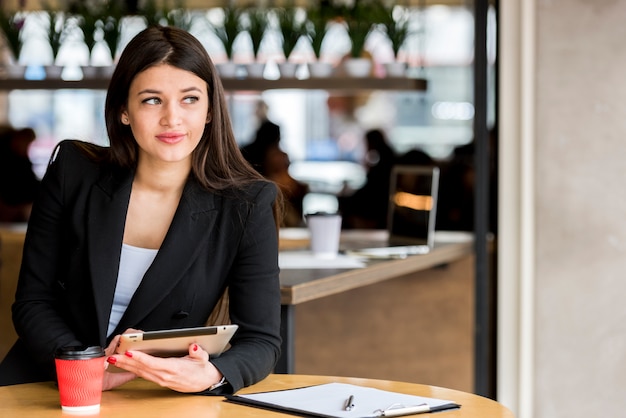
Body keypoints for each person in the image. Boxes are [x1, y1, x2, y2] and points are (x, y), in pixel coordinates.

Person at [0, 26, 283, 395]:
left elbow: (262, 341)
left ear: (211, 110)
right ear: (123, 111)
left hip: (158, 390)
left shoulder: (247, 204)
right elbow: (33, 302)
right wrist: (86, 368)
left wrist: (212, 374)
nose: (172, 118)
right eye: (152, 100)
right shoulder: (73, 172)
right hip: (49, 377)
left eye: (190, 99)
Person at [338, 128, 397, 229]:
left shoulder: (383, 158)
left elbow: (374, 186)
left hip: (379, 202)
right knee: (347, 201)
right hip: (378, 199)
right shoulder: (384, 154)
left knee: (345, 203)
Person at [0, 126, 40, 222]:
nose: (26, 146)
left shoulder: (23, 161)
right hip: (10, 209)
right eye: (26, 142)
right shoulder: (7, 162)